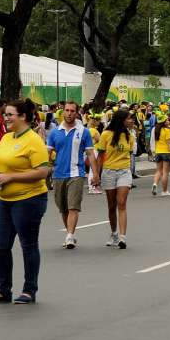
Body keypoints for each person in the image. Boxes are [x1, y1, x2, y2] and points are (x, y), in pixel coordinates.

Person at [0, 99, 50, 305]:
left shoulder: (33, 140)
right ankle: (4, 290)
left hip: (29, 199)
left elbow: (43, 171)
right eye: (5, 114)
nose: (6, 118)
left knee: (28, 245)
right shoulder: (6, 138)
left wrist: (11, 178)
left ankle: (29, 290)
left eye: (10, 115)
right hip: (5, 199)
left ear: (23, 117)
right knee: (0, 245)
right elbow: (0, 164)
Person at [46, 101, 96, 249]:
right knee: (63, 208)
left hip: (76, 173)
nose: (69, 113)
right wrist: (44, 170)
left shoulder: (84, 132)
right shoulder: (55, 132)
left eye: (72, 111)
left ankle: (69, 235)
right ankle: (70, 233)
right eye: (66, 110)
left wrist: (96, 174)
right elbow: (47, 153)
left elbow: (90, 154)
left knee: (73, 206)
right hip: (58, 174)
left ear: (76, 113)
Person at [95, 109, 135, 249]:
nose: (132, 121)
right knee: (112, 206)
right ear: (121, 119)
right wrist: (96, 175)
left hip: (124, 171)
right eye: (129, 118)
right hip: (108, 172)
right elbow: (100, 156)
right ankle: (114, 233)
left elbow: (129, 155)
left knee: (121, 202)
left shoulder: (129, 135)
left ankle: (123, 237)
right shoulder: (106, 134)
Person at [152, 115, 170, 196]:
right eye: (166, 121)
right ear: (163, 122)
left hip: (158, 152)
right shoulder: (166, 130)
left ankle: (155, 184)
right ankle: (165, 191)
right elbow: (169, 143)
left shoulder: (155, 130)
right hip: (166, 152)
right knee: (165, 172)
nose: (168, 122)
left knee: (158, 170)